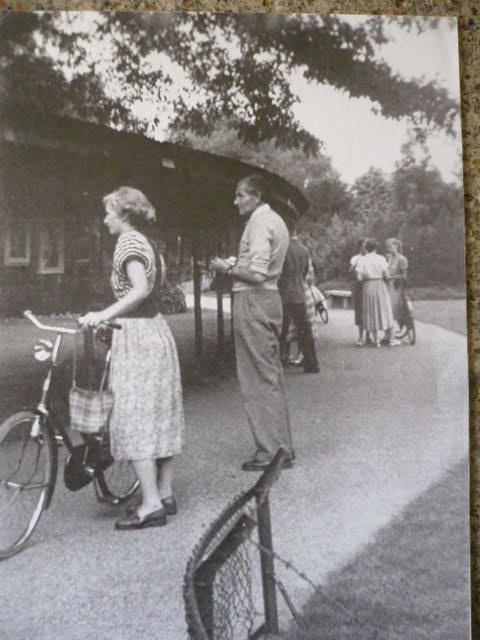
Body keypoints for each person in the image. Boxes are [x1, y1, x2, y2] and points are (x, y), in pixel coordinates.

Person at [80, 186, 184, 530]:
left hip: (137, 336)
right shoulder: (149, 242)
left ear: (124, 214)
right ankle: (165, 492)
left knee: (134, 414)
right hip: (156, 331)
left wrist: (103, 314)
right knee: (159, 412)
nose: (105, 218)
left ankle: (151, 504)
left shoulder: (127, 243)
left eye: (109, 212)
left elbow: (139, 290)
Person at [210, 174, 294, 471]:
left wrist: (227, 267)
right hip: (270, 299)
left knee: (256, 377)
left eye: (240, 195)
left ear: (256, 196)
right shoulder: (277, 221)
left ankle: (270, 451)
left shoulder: (258, 224)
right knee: (270, 373)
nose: (236, 202)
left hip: (253, 299)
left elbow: (256, 273)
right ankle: (281, 446)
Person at [279, 236, 320, 373]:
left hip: (284, 292)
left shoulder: (282, 248)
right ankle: (311, 363)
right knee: (305, 330)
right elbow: (306, 273)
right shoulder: (304, 249)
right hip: (299, 292)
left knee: (281, 330)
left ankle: (280, 360)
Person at [355, 238, 400, 348]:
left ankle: (376, 340)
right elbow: (387, 275)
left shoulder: (362, 260)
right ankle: (391, 339)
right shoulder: (381, 259)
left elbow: (358, 277)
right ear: (376, 248)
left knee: (371, 310)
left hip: (367, 286)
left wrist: (367, 278)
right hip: (380, 285)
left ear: (367, 248)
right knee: (385, 310)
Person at [385, 237, 409, 328]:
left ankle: (395, 328)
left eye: (390, 247)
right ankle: (390, 332)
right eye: (387, 247)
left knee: (392, 308)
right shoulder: (389, 258)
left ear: (396, 246)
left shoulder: (402, 259)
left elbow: (404, 276)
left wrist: (391, 277)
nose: (388, 249)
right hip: (388, 285)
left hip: (396, 286)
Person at [349, 238, 367, 346]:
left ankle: (369, 336)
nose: (365, 248)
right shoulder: (355, 258)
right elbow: (350, 271)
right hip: (359, 286)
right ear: (360, 247)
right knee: (360, 310)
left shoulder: (372, 257)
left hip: (368, 284)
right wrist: (356, 263)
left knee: (369, 309)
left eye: (367, 246)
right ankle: (361, 336)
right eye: (363, 246)